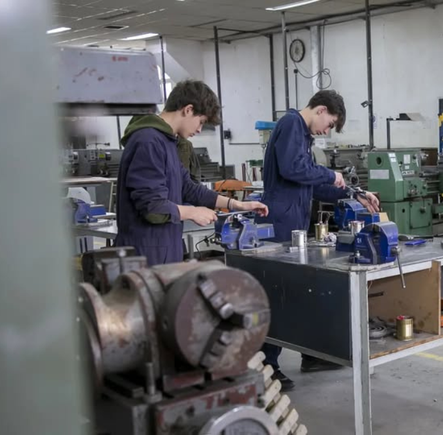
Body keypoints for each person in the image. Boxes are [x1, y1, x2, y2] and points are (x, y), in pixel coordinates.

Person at [257, 90, 380, 391]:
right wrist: (329, 173)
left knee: (300, 293)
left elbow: (312, 186)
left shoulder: (302, 136)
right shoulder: (290, 125)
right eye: (329, 124)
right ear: (321, 109)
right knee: (278, 297)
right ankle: (267, 367)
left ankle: (311, 354)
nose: (326, 131)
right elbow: (292, 169)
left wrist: (354, 194)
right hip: (278, 227)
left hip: (293, 226)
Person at [116, 80, 268, 266]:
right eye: (201, 121)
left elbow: (188, 188)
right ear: (188, 110)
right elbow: (152, 206)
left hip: (163, 251)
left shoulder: (167, 141)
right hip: (145, 255)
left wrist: (237, 204)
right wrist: (192, 212)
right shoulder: (149, 141)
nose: (199, 129)